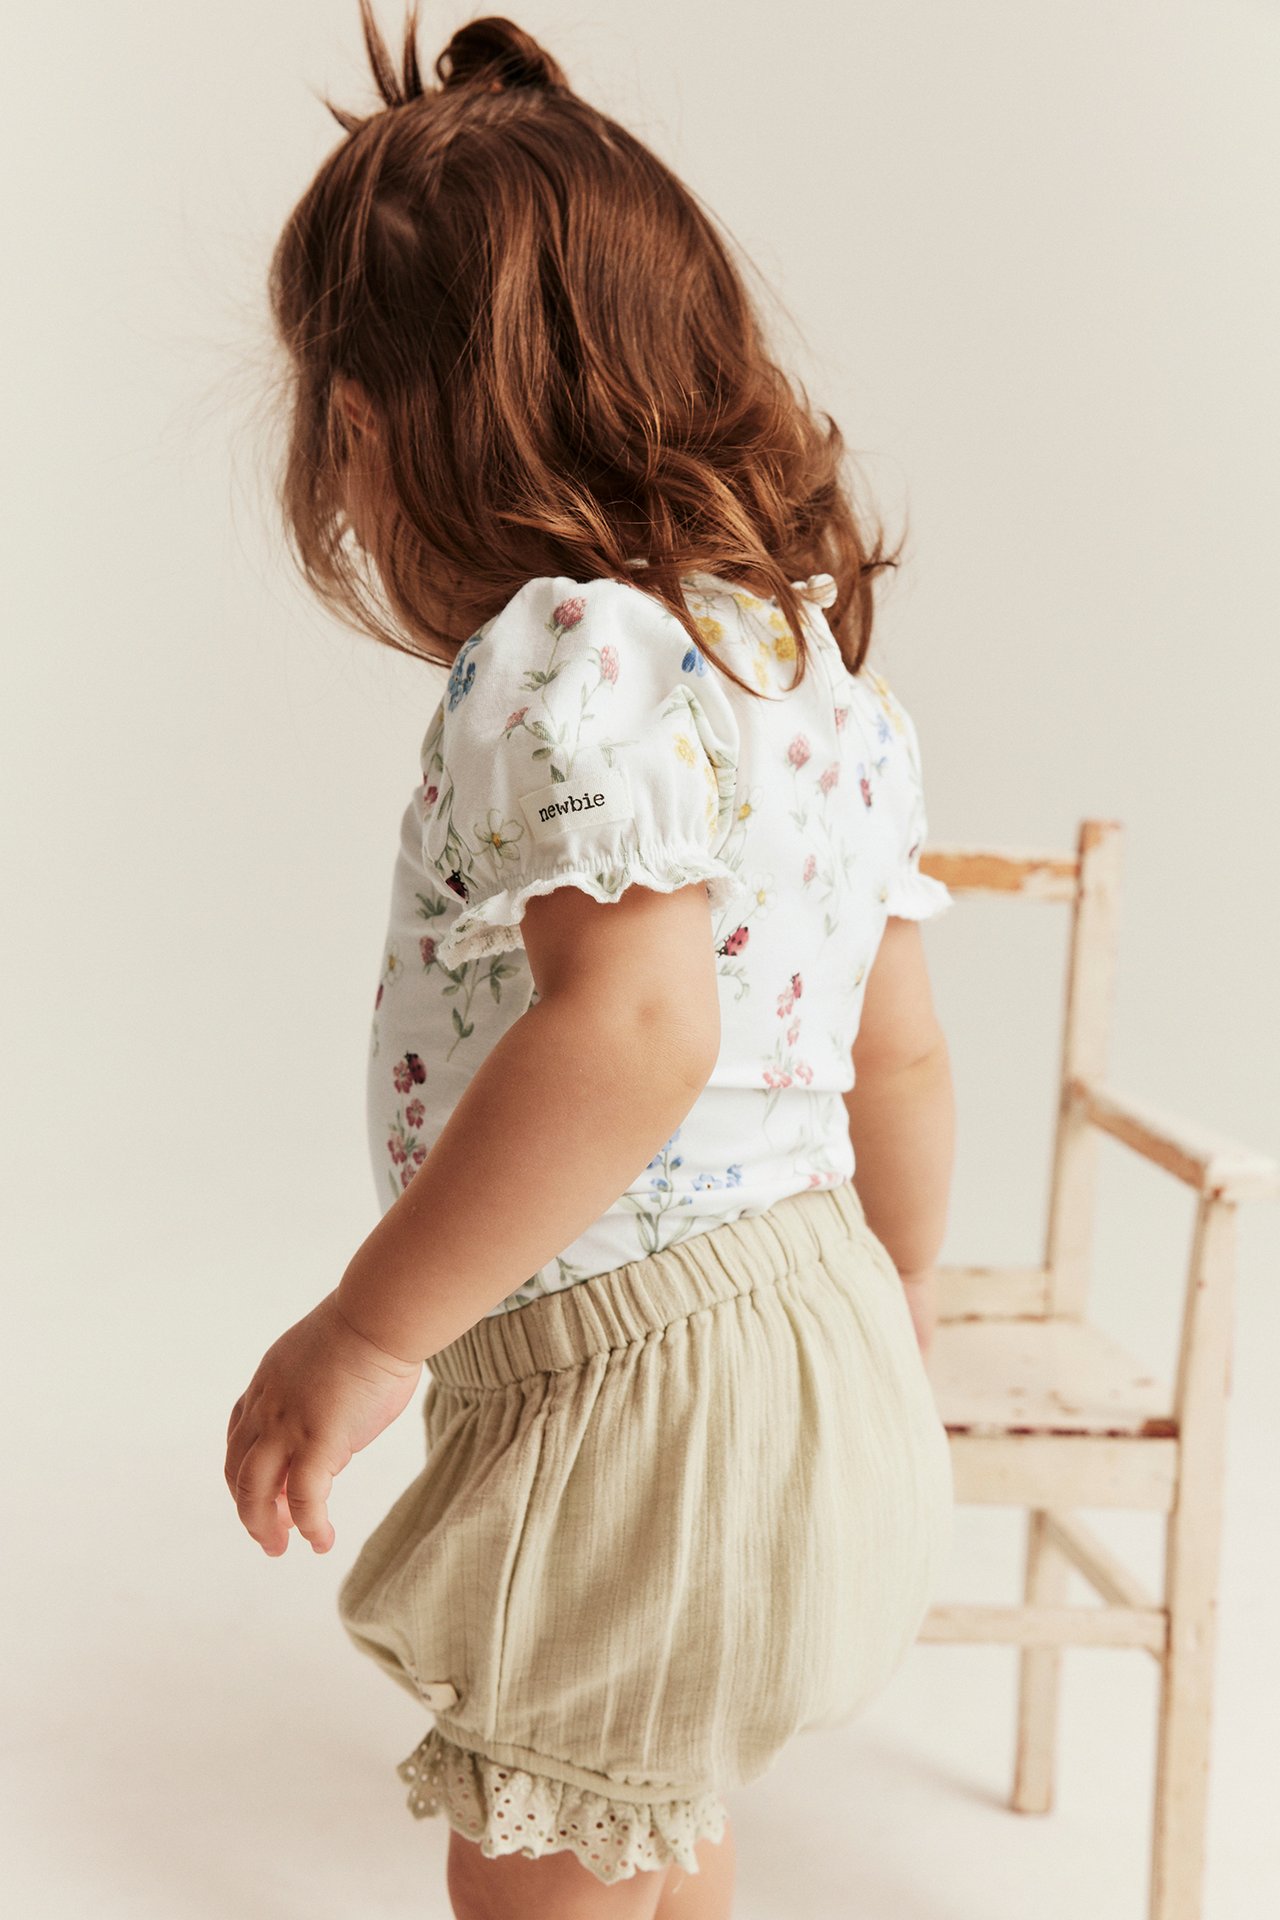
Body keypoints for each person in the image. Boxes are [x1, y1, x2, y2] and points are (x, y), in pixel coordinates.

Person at [223, 7, 957, 1916]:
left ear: (368, 421)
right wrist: (902, 1305)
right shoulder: (809, 681)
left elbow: (635, 1029)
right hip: (822, 1334)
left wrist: (367, 1334)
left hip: (639, 1370)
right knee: (663, 1804)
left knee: (545, 1857)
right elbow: (904, 1060)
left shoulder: (571, 653)